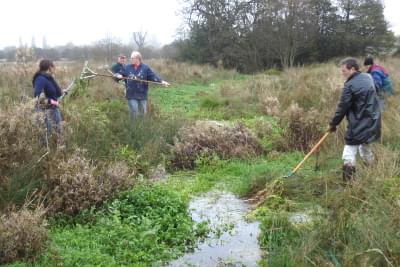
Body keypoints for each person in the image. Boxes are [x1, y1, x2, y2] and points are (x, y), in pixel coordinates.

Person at [329, 57, 381, 181]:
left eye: (344, 71)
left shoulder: (349, 85)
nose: (342, 73)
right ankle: (373, 172)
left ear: (352, 69)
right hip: (374, 121)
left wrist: (333, 124)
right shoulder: (368, 77)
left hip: (358, 123)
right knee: (365, 148)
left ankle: (349, 183)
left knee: (348, 152)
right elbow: (375, 91)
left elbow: (342, 107)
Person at [114, 51, 169, 118]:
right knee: (134, 111)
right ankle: (133, 127)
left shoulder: (145, 68)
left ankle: (142, 127)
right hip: (131, 94)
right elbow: (117, 75)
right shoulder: (127, 67)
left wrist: (161, 81)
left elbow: (153, 76)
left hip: (142, 94)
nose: (130, 59)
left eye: (132, 58)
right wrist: (118, 75)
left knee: (142, 113)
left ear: (137, 59)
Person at [33, 59, 64, 143]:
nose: (55, 69)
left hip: (53, 109)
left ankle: (60, 153)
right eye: (54, 67)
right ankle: (44, 154)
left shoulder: (48, 78)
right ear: (50, 67)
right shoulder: (40, 79)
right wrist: (53, 102)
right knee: (46, 135)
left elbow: (52, 92)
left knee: (59, 133)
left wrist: (62, 92)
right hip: (44, 111)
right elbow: (37, 96)